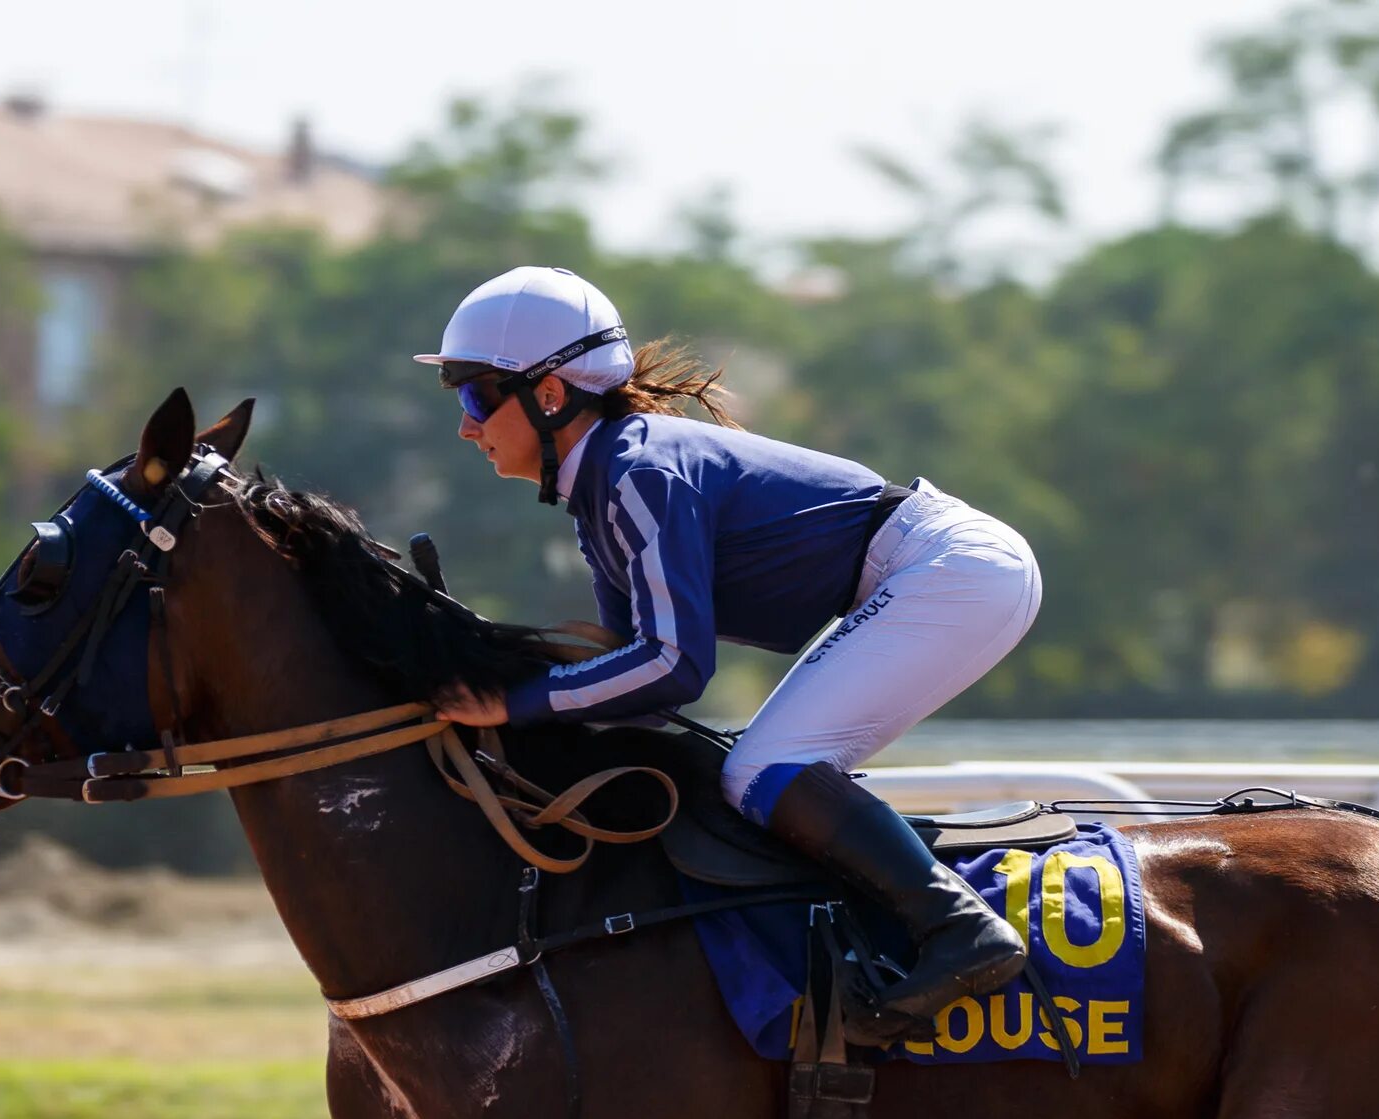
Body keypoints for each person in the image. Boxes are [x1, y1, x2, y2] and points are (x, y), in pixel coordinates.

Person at [417, 265, 1037, 1037]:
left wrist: (517, 701)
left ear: (549, 395)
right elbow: (632, 674)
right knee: (756, 768)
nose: (466, 427)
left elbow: (673, 666)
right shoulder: (599, 488)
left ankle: (961, 930)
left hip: (951, 569)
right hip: (936, 569)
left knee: (761, 770)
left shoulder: (637, 471)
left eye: (476, 397)